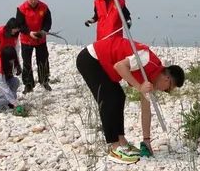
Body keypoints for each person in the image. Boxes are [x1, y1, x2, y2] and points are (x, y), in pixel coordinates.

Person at [75, 33, 185, 164]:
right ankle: (114, 148)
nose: (165, 91)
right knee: (109, 97)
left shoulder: (151, 78)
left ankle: (122, 142)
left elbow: (146, 109)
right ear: (167, 79)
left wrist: (146, 140)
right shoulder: (146, 59)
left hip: (103, 64)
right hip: (91, 58)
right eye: (168, 89)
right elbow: (119, 66)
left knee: (119, 96)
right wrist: (139, 87)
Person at [15, 0, 52, 92]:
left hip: (41, 38)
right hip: (26, 39)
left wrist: (45, 30)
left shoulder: (44, 7)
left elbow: (48, 21)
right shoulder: (21, 8)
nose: (33, 1)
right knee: (27, 62)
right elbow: (20, 25)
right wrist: (29, 33)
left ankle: (44, 81)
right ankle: (28, 84)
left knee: (43, 60)